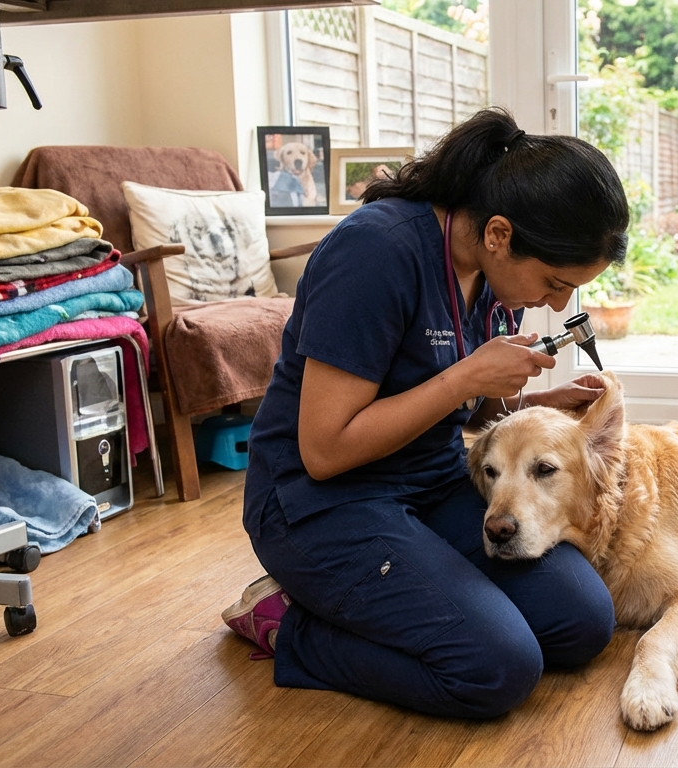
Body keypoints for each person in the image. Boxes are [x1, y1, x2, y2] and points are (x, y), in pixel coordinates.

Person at [222, 108, 630, 719]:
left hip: (431, 480)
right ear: (498, 233)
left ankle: (408, 601)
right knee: (498, 668)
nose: (557, 302)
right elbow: (325, 449)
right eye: (552, 281)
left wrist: (534, 402)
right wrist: (466, 375)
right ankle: (289, 623)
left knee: (583, 624)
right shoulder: (376, 253)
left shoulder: (495, 274)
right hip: (319, 502)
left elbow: (468, 406)